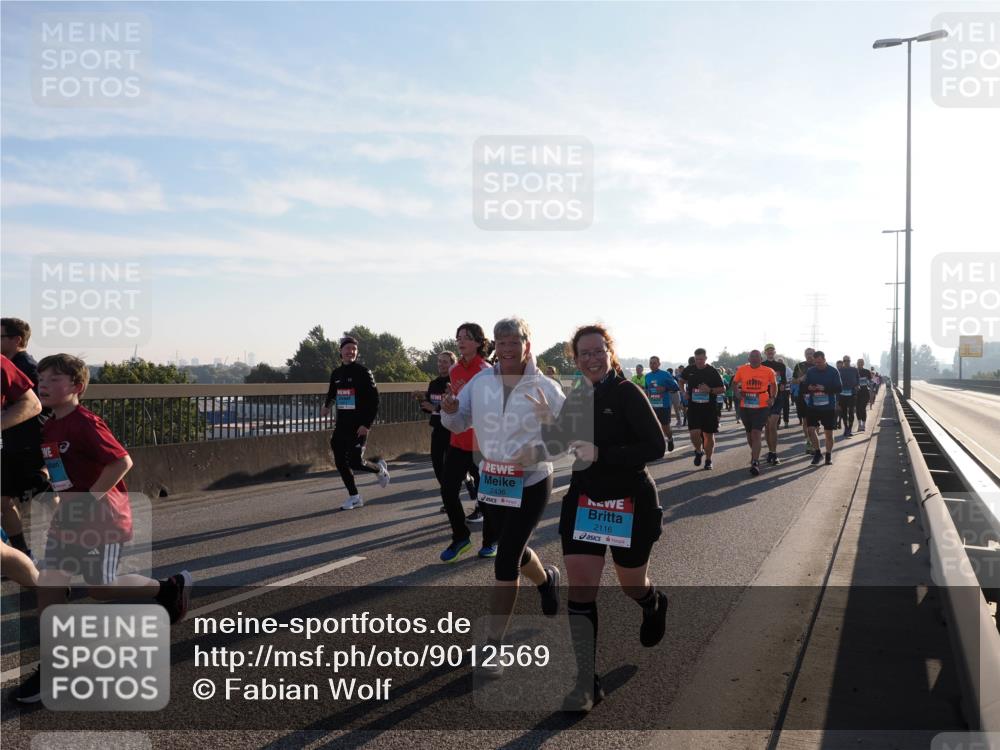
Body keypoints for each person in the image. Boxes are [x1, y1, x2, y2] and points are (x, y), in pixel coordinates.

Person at [14, 354, 191, 704]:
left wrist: (87, 500)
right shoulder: (49, 425)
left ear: (77, 387)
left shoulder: (86, 422)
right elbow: (59, 466)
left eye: (54, 378)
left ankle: (168, 588)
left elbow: (121, 461)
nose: (44, 384)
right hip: (67, 517)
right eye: (42, 378)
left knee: (101, 587)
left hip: (102, 517)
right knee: (48, 582)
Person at [536, 325, 667, 712]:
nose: (591, 359)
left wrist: (602, 452)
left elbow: (656, 445)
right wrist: (548, 421)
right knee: (581, 590)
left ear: (610, 353)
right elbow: (558, 445)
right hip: (586, 502)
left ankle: (653, 602)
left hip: (631, 502)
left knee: (631, 584)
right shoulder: (576, 396)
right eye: (583, 354)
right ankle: (585, 682)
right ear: (575, 360)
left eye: (597, 351)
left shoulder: (627, 393)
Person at [441, 317, 564, 667]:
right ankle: (546, 579)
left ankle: (494, 645)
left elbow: (567, 438)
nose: (508, 349)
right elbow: (458, 420)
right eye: (502, 342)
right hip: (493, 478)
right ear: (495, 346)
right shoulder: (480, 382)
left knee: (505, 559)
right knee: (516, 549)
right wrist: (449, 411)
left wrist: (542, 441)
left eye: (515, 342)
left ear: (527, 344)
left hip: (532, 480)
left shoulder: (547, 387)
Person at [437, 323, 498, 561]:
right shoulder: (453, 370)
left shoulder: (487, 371)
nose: (461, 342)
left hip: (481, 446)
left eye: (467, 337)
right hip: (458, 441)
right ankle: (460, 537)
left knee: (487, 495)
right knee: (447, 490)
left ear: (479, 342)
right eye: (458, 337)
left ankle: (491, 541)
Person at [321, 336, 389, 510]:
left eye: (354, 349)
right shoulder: (336, 373)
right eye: (347, 348)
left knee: (355, 462)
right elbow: (331, 394)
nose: (350, 352)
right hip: (342, 425)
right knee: (340, 461)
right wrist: (327, 406)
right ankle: (355, 497)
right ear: (341, 351)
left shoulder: (364, 372)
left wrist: (367, 425)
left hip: (359, 425)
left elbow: (375, 401)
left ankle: (379, 469)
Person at [1, 319, 48, 561]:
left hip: (29, 444)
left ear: (16, 340)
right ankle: (20, 553)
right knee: (5, 499)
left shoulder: (27, 367)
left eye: (1, 337)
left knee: (44, 496)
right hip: (12, 444)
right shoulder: (10, 364)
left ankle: (61, 550)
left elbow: (41, 406)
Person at [418, 351, 478, 514]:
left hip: (455, 431)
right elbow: (430, 407)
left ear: (452, 364)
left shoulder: (457, 383)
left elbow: (461, 405)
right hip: (438, 429)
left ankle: (470, 496)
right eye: (439, 362)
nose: (441, 365)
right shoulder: (434, 383)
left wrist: (436, 408)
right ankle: (451, 496)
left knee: (467, 466)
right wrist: (423, 403)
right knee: (438, 466)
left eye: (445, 362)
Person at [732, 350, 778, 476]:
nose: (754, 359)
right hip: (745, 405)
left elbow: (774, 384)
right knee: (749, 433)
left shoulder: (768, 371)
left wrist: (772, 397)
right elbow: (735, 383)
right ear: (748, 358)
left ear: (761, 358)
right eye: (752, 357)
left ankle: (755, 462)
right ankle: (755, 454)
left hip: (762, 405)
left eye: (757, 357)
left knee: (756, 432)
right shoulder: (742, 369)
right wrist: (736, 393)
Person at [679, 349, 725, 470]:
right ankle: (699, 451)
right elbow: (681, 381)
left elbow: (722, 389)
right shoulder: (689, 370)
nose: (698, 361)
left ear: (705, 358)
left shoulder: (712, 371)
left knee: (708, 435)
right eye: (696, 359)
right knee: (694, 434)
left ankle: (708, 460)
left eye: (701, 359)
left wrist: (709, 390)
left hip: (709, 408)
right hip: (694, 407)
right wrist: (683, 392)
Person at [802, 351, 843, 466]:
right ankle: (817, 453)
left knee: (828, 433)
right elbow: (804, 387)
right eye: (815, 363)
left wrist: (824, 388)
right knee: (810, 430)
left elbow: (839, 388)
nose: (817, 365)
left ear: (824, 359)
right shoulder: (811, 371)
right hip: (813, 405)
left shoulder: (833, 371)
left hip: (828, 407)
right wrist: (809, 387)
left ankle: (828, 455)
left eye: (819, 362)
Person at [644, 356, 678, 452]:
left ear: (659, 364)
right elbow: (647, 390)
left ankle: (670, 439)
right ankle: (657, 447)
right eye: (650, 363)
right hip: (652, 406)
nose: (652, 365)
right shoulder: (647, 376)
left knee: (665, 427)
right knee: (652, 427)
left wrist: (665, 389)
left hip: (664, 406)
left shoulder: (665, 374)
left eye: (654, 363)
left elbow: (675, 387)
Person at [761, 344, 787, 466]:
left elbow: (784, 380)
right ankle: (771, 451)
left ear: (775, 352)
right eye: (768, 350)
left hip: (778, 397)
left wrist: (782, 384)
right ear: (765, 352)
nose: (770, 352)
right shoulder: (762, 365)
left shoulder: (781, 366)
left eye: (772, 350)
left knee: (772, 425)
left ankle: (774, 452)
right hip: (764, 397)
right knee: (767, 426)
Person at [792, 348, 816, 454]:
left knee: (815, 422)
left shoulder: (819, 365)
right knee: (805, 420)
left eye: (811, 354)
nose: (809, 355)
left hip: (817, 396)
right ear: (804, 355)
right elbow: (793, 380)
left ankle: (814, 442)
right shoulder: (799, 366)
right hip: (803, 396)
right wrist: (800, 379)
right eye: (807, 354)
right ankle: (809, 442)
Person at [837, 356, 859, 437]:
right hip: (842, 395)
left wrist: (857, 385)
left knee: (851, 412)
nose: (846, 362)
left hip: (852, 394)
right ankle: (846, 428)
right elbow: (836, 382)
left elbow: (858, 379)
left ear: (850, 361)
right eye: (845, 360)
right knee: (844, 413)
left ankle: (850, 429)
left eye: (848, 360)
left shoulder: (854, 369)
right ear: (843, 361)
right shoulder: (839, 370)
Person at [855, 358, 873, 432]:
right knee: (857, 409)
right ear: (857, 363)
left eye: (861, 362)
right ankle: (859, 425)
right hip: (856, 393)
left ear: (863, 364)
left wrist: (872, 391)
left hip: (865, 392)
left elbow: (871, 381)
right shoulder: (854, 371)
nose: (860, 364)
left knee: (862, 408)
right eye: (859, 362)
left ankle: (864, 425)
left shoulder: (867, 371)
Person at [778, 357, 793, 427]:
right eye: (778, 362)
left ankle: (786, 422)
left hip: (786, 390)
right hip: (777, 391)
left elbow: (791, 379)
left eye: (781, 362)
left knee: (786, 407)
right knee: (777, 407)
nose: (780, 363)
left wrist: (785, 382)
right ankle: (777, 423)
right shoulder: (774, 369)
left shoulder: (788, 369)